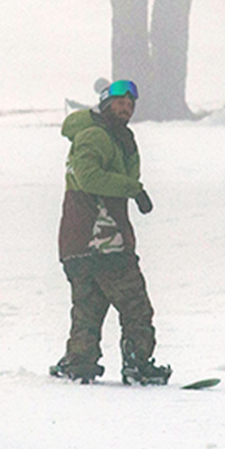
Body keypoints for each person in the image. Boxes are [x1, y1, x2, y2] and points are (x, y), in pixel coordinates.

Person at [50, 78, 171, 385]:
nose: (126, 108)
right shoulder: (96, 135)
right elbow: (88, 176)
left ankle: (80, 362)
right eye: (119, 103)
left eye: (130, 104)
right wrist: (134, 189)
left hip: (78, 241)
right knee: (135, 305)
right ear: (105, 104)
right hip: (103, 238)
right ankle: (138, 363)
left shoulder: (114, 137)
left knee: (88, 309)